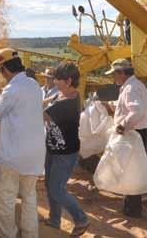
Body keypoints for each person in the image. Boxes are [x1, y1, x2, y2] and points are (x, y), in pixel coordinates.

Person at [0, 48, 45, 238]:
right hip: (35, 153)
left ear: (4, 69)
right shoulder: (34, 85)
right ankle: (30, 234)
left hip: (14, 155)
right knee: (29, 196)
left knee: (5, 196)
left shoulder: (12, 90)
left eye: (1, 71)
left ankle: (6, 234)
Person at [43, 62, 90, 236]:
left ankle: (81, 219)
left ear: (68, 80)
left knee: (56, 189)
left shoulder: (67, 104)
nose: (54, 82)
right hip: (54, 149)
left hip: (65, 153)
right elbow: (48, 101)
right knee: (50, 185)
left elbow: (40, 114)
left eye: (57, 79)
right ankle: (54, 220)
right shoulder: (65, 95)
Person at [103, 58, 147, 218]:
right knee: (133, 169)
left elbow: (136, 111)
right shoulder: (133, 86)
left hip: (133, 133)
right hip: (137, 132)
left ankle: (132, 209)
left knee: (132, 169)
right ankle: (131, 205)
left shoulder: (130, 88)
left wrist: (122, 125)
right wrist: (111, 105)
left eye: (114, 74)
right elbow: (129, 106)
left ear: (122, 73)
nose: (113, 77)